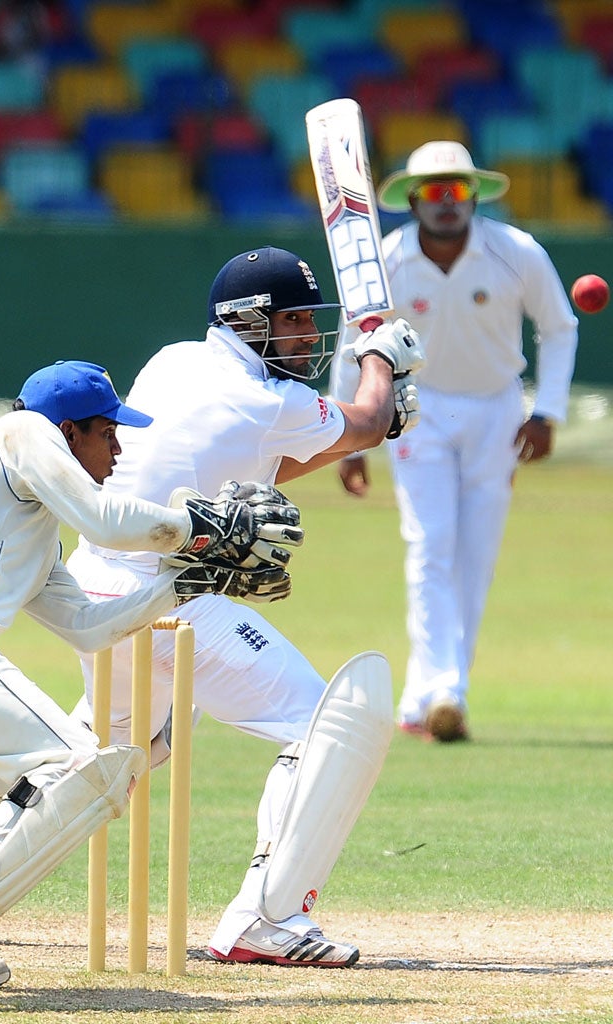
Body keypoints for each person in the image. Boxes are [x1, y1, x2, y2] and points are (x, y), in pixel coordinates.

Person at [0, 359, 303, 1010]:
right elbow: (104, 518)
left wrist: (189, 580)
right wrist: (195, 527)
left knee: (21, 783)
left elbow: (89, 626)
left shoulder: (31, 530)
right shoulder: (22, 433)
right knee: (88, 771)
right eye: (107, 433)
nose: (118, 448)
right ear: (68, 429)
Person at [62, 246, 424, 968]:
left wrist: (373, 421)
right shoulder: (270, 399)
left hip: (96, 588)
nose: (307, 336)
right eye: (292, 321)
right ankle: (267, 919)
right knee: (335, 725)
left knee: (115, 755)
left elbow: (276, 454)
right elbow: (360, 419)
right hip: (170, 603)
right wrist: (383, 359)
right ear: (249, 321)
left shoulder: (176, 362)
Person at [333, 141, 578, 742]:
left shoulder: (515, 252)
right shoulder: (386, 260)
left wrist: (545, 411)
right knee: (431, 543)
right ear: (413, 201)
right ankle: (444, 688)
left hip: (497, 409)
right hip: (419, 409)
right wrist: (351, 439)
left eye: (459, 191)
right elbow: (352, 344)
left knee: (476, 554)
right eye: (435, 193)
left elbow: (559, 326)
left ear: (475, 196)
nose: (448, 204)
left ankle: (433, 694)